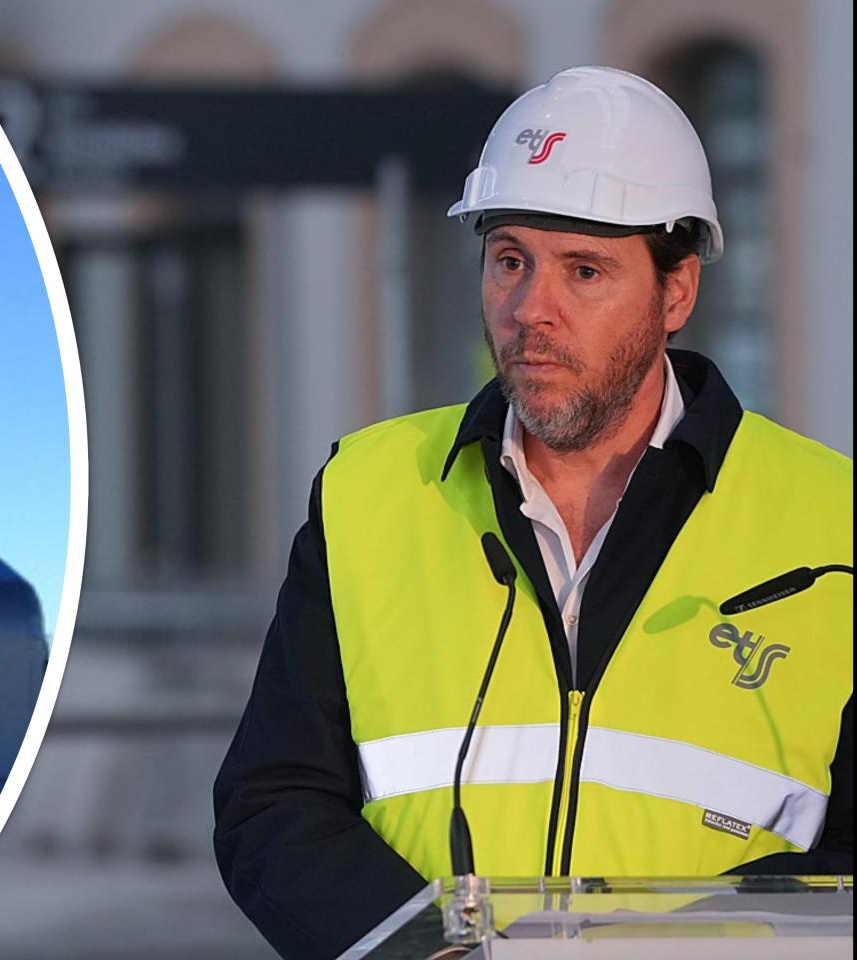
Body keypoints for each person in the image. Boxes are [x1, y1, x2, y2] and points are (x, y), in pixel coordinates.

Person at [212, 65, 853, 959]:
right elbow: (273, 802)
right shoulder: (370, 489)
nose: (530, 310)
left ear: (676, 291)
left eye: (583, 270)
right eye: (510, 259)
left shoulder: (834, 526)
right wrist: (436, 952)